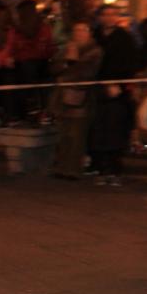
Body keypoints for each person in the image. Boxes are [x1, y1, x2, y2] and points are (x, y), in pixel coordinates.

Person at [88, 4, 140, 186]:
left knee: (115, 129)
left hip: (118, 90)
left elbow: (130, 62)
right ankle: (100, 167)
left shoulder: (124, 37)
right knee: (98, 129)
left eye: (113, 14)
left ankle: (114, 169)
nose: (109, 18)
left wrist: (118, 83)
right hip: (96, 88)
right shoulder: (95, 36)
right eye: (106, 14)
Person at [50, 22, 103, 179]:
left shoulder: (95, 51)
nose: (79, 33)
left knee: (77, 136)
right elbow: (54, 67)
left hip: (81, 98)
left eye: (83, 30)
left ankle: (73, 169)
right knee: (63, 134)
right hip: (62, 98)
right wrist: (66, 63)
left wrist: (68, 68)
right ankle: (61, 166)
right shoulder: (66, 49)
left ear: (89, 33)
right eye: (76, 30)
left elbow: (87, 72)